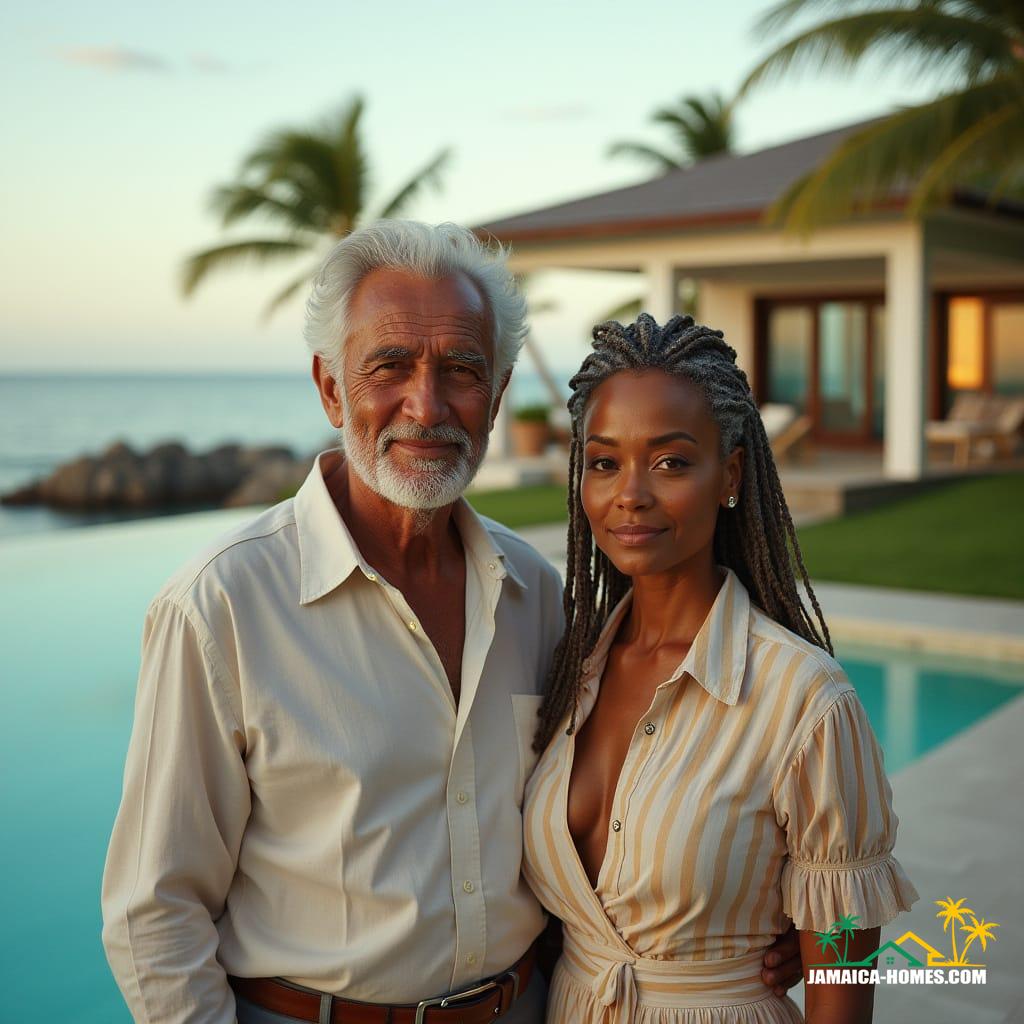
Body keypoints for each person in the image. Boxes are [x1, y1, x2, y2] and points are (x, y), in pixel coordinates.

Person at [101, 222, 802, 1024]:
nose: (426, 406)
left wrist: (755, 919)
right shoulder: (220, 606)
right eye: (389, 367)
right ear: (332, 389)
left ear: (498, 397)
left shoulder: (536, 595)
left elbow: (623, 817)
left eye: (461, 371)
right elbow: (152, 912)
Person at [522, 314, 919, 1023]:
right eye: (605, 461)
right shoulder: (569, 669)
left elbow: (843, 986)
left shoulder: (803, 699)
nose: (631, 493)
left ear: (729, 474)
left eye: (671, 461)